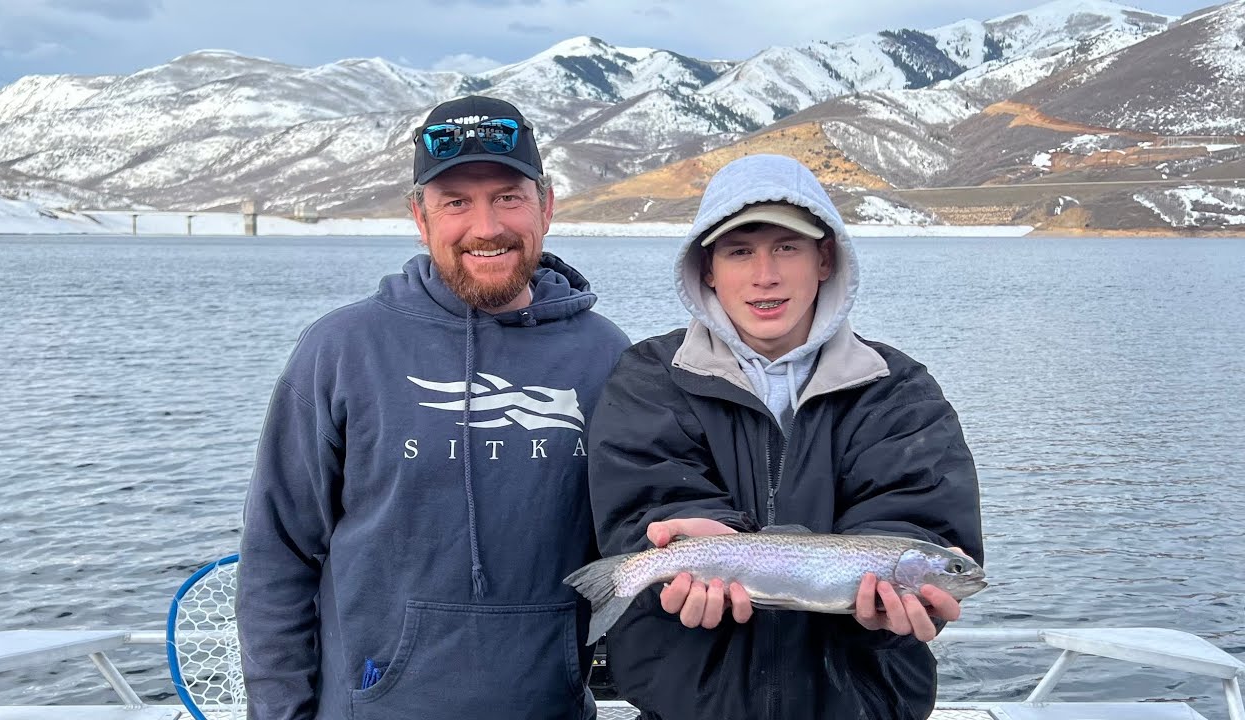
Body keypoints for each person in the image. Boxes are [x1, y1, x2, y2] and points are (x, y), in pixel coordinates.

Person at [236, 94, 631, 720]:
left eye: (508, 196)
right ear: (419, 217)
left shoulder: (605, 355)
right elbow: (278, 555)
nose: (486, 226)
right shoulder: (342, 349)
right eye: (456, 202)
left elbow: (633, 537)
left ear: (546, 206)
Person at [587, 153, 984, 720]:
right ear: (707, 269)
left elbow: (923, 518)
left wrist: (895, 605)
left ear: (825, 259)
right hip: (692, 704)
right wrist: (680, 541)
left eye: (787, 247)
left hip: (863, 704)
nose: (764, 275)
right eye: (740, 250)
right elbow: (641, 506)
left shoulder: (897, 390)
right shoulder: (651, 376)